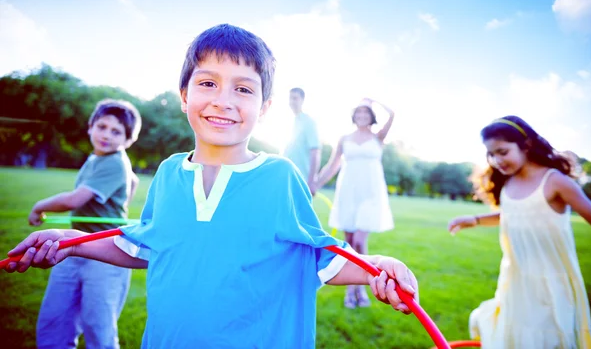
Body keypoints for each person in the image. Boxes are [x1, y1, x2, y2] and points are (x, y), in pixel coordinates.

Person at [5, 24, 418, 349]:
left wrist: (374, 266)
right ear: (184, 96)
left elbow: (320, 258)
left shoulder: (279, 177)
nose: (223, 100)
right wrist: (68, 240)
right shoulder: (168, 173)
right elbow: (146, 245)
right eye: (208, 83)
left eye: (243, 88)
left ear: (265, 107)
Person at [448, 116, 591, 349]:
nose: (496, 160)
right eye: (491, 154)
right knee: (515, 336)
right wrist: (475, 220)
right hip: (516, 278)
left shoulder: (555, 181)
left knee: (545, 338)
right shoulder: (509, 183)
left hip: (551, 283)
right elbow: (513, 214)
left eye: (502, 151)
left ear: (526, 145)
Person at [27, 99, 142, 349]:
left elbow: (75, 199)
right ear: (90, 127)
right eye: (102, 127)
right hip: (73, 246)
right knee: (55, 319)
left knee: (98, 325)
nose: (106, 136)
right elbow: (133, 181)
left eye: (116, 132)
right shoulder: (98, 158)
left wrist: (40, 206)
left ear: (127, 140)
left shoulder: (113, 161)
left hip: (105, 253)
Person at [315, 98, 395, 309]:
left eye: (365, 113)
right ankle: (355, 290)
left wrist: (374, 102)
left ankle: (357, 289)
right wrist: (314, 184)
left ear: (371, 116)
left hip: (370, 193)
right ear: (353, 116)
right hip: (348, 192)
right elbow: (332, 165)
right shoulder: (344, 138)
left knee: (359, 240)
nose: (361, 116)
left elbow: (392, 114)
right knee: (349, 243)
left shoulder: (378, 137)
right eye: (358, 113)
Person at [283, 87, 321, 194]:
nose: (292, 102)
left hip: (301, 179)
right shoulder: (290, 122)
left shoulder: (309, 122)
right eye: (290, 98)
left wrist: (311, 182)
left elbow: (315, 153)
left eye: (295, 98)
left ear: (302, 100)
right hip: (287, 177)